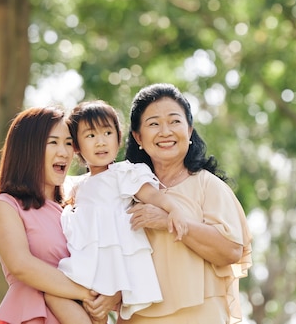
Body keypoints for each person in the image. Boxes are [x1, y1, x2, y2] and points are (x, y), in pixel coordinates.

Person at [45, 100, 189, 321]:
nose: (101, 142)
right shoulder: (76, 186)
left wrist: (174, 210)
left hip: (115, 262)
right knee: (63, 298)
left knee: (110, 312)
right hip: (87, 260)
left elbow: (152, 195)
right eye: (91, 136)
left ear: (118, 138)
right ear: (76, 146)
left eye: (107, 132)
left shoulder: (123, 173)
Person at [123, 83, 253, 324]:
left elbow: (232, 250)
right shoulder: (124, 192)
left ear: (190, 130)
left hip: (201, 316)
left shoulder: (208, 185)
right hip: (138, 317)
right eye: (153, 124)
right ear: (138, 137)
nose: (165, 131)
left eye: (174, 121)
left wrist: (168, 221)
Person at [0, 106, 116, 324]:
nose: (64, 152)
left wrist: (111, 295)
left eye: (69, 143)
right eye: (53, 142)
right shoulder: (5, 205)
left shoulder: (79, 202)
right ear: (27, 149)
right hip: (31, 313)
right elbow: (21, 265)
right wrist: (88, 293)